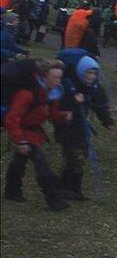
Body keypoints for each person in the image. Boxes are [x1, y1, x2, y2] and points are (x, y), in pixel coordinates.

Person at [3, 59, 71, 211]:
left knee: (19, 162)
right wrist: (20, 141)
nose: (59, 81)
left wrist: (62, 116)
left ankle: (12, 190)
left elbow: (52, 113)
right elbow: (12, 118)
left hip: (32, 133)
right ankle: (54, 199)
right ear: (44, 76)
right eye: (55, 78)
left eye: (60, 77)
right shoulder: (27, 94)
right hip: (24, 133)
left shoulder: (50, 93)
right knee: (41, 165)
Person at [53, 52, 116, 201]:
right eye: (88, 73)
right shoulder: (67, 84)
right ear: (81, 72)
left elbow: (100, 105)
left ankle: (65, 186)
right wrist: (75, 102)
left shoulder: (94, 87)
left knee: (81, 154)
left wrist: (108, 123)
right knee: (76, 155)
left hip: (81, 125)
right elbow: (58, 107)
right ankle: (72, 189)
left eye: (94, 73)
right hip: (66, 125)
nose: (91, 76)